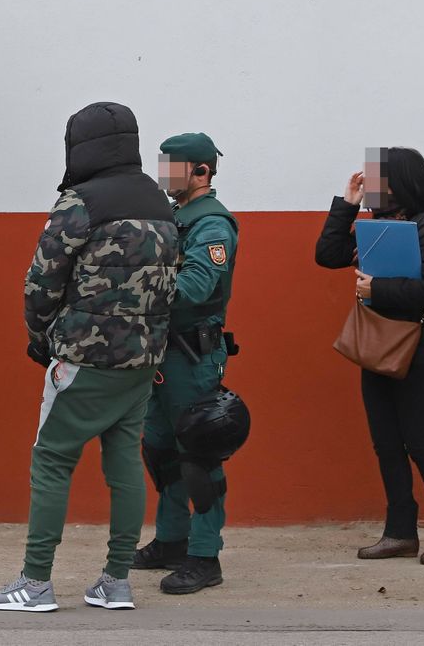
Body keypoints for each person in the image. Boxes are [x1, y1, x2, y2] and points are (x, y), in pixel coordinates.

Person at [0, 102, 179, 613]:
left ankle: (36, 582)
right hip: (141, 362)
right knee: (124, 467)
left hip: (83, 359)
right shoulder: (162, 203)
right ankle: (115, 582)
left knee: (51, 461)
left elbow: (41, 281)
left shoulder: (80, 202)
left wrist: (40, 337)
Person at [314, 146, 424, 565]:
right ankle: (400, 532)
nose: (372, 187)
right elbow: (326, 255)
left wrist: (376, 290)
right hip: (377, 345)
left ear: (401, 183)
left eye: (379, 180)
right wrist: (347, 204)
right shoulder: (374, 226)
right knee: (386, 444)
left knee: (422, 443)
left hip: (422, 350)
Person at [133, 133, 239, 595]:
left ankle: (204, 554)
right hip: (162, 353)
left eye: (171, 167)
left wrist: (135, 284)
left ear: (200, 171)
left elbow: (195, 287)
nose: (163, 175)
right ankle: (172, 540)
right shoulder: (175, 217)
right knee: (161, 450)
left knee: (199, 455)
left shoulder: (212, 225)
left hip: (193, 356)